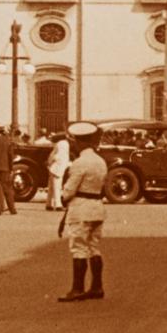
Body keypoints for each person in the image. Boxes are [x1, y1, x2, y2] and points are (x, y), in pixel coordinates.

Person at [51, 125, 113, 303]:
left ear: (79, 142)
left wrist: (63, 196)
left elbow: (70, 189)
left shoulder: (80, 163)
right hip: (97, 207)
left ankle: (77, 288)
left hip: (81, 208)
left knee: (78, 247)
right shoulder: (100, 161)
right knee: (94, 247)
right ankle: (97, 286)